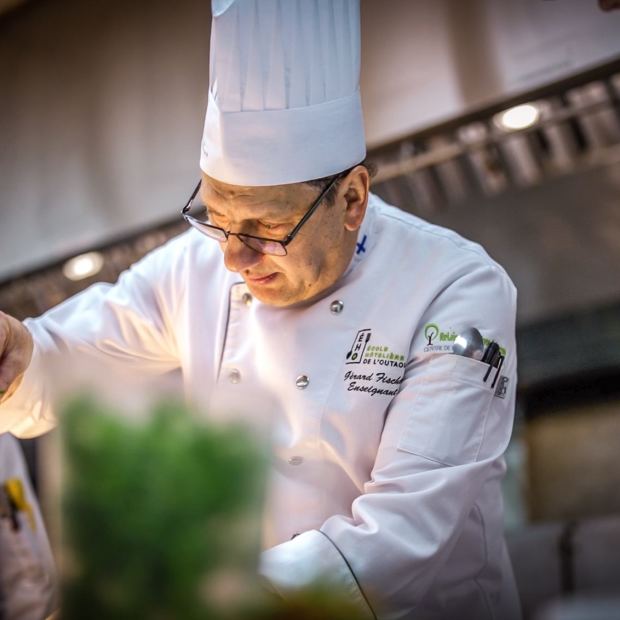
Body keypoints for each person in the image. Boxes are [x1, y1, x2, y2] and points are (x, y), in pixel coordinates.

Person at [0, 1, 521, 618]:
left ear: (351, 199)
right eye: (216, 219)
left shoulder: (456, 289)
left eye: (266, 227)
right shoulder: (192, 266)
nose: (233, 258)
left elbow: (407, 530)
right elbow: (73, 360)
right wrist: (18, 354)